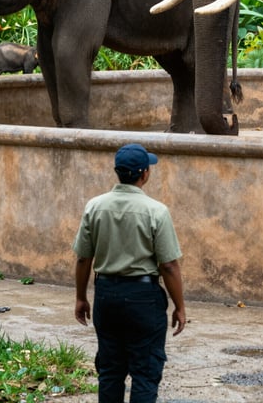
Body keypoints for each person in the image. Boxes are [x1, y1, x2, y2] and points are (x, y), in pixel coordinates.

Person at [73, 143, 186, 403]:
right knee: (145, 372)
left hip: (106, 295)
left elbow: (83, 258)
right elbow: (168, 265)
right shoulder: (156, 211)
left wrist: (81, 297)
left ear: (117, 172)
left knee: (110, 371)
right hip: (143, 297)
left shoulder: (95, 206)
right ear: (144, 174)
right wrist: (180, 306)